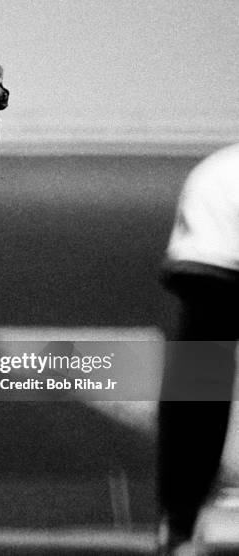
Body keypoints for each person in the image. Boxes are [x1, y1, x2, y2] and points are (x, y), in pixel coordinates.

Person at [157, 143, 239, 555]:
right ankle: (180, 523)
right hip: (217, 241)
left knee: (200, 375)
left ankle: (179, 523)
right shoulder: (224, 174)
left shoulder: (220, 170)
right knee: (201, 376)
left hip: (212, 242)